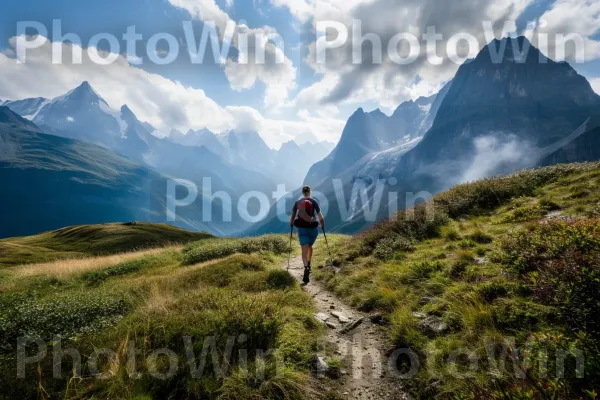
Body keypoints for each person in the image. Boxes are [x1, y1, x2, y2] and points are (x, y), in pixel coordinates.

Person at [290, 185, 325, 284]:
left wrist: (292, 224)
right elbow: (321, 217)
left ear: (302, 193)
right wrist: (322, 226)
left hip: (302, 230)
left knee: (304, 251)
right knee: (310, 246)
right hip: (313, 230)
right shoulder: (314, 202)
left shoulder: (297, 203)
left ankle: (306, 267)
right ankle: (309, 263)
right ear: (310, 192)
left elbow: (292, 217)